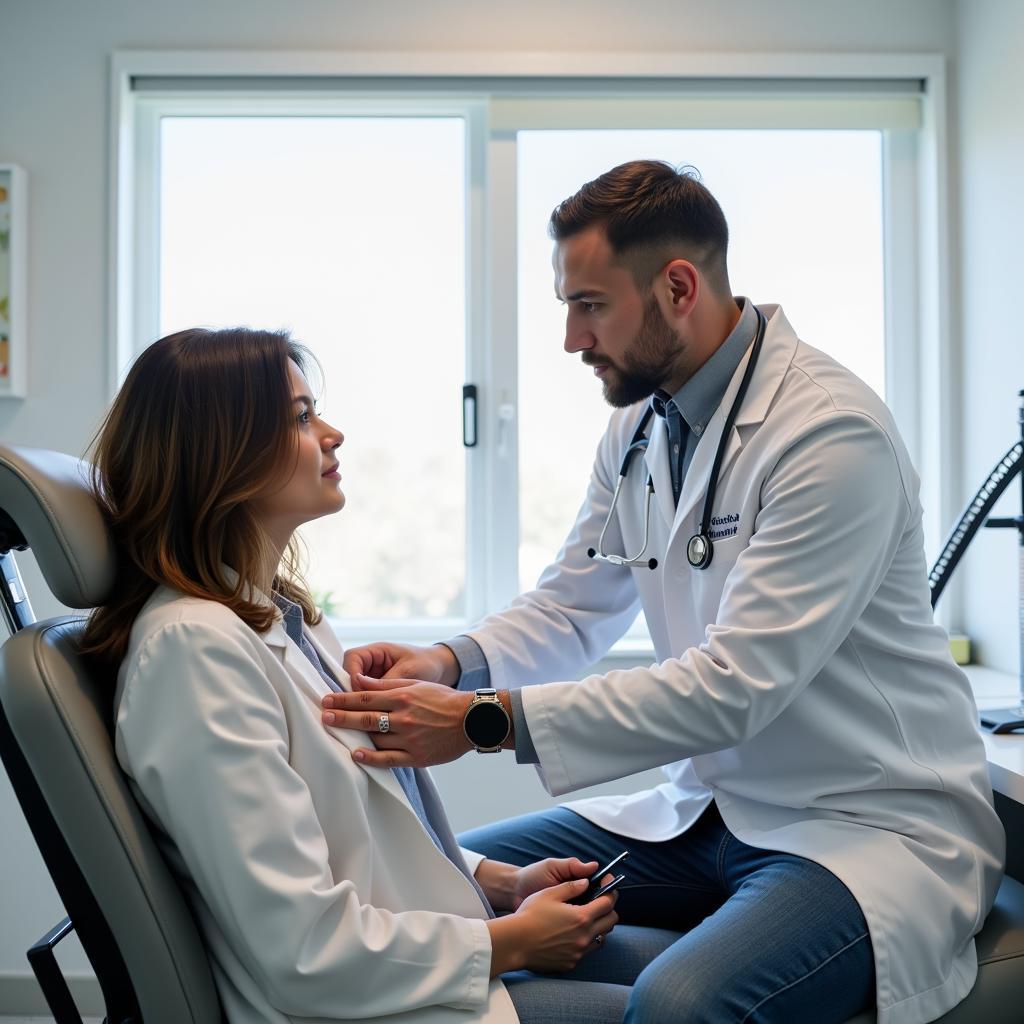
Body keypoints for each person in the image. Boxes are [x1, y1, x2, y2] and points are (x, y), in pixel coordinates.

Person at [326, 161, 1005, 1024]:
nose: (572, 339)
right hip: (709, 812)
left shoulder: (829, 434)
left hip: (858, 826)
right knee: (437, 879)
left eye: (590, 305)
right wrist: (449, 660)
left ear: (678, 286)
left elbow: (736, 686)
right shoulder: (639, 426)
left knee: (681, 1004)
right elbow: (575, 602)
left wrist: (483, 721)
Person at [80, 326, 653, 1024]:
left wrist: (503, 884)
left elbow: (359, 838)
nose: (333, 433)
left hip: (415, 969)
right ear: (221, 454)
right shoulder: (192, 654)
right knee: (692, 1008)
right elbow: (302, 948)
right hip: (367, 1008)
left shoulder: (281, 620)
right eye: (299, 417)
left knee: (672, 965)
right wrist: (510, 941)